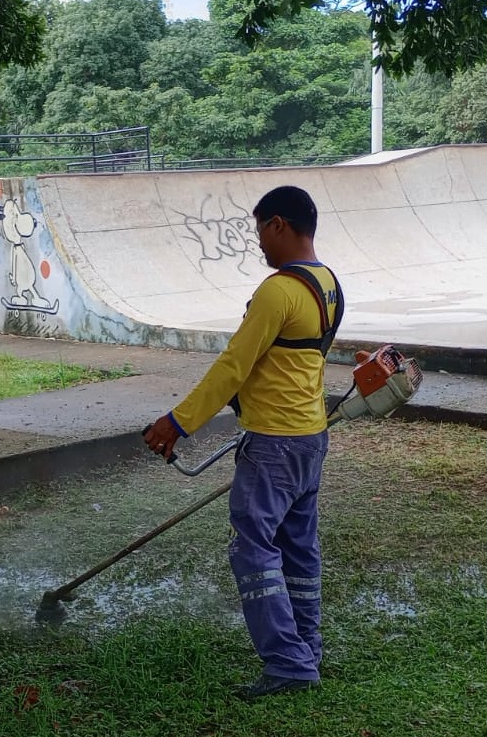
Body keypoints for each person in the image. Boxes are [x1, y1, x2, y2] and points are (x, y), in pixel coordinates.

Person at [144, 184, 343, 701]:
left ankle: (287, 663)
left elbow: (233, 366)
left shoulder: (278, 291)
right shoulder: (329, 286)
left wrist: (176, 423)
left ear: (279, 224)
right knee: (298, 550)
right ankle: (306, 649)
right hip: (309, 440)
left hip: (274, 445)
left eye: (260, 229)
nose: (258, 242)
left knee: (253, 550)